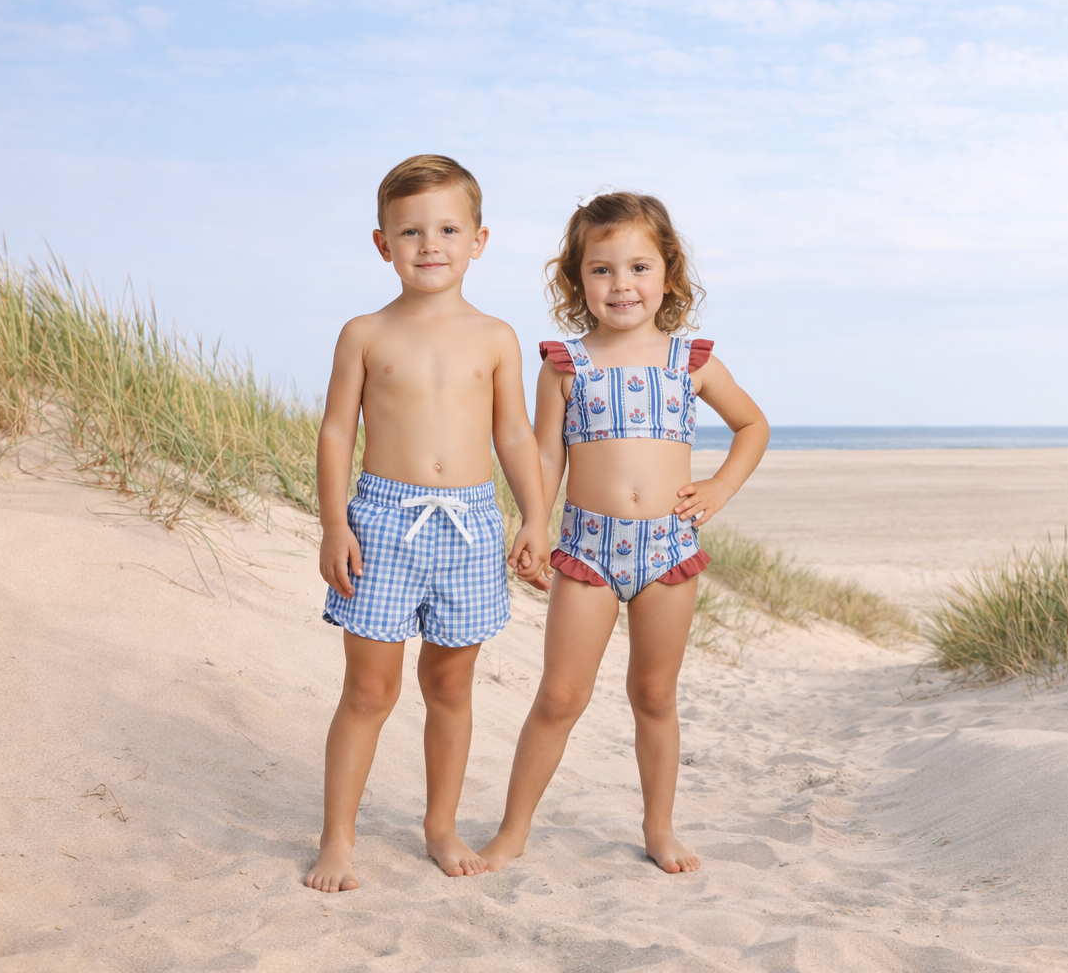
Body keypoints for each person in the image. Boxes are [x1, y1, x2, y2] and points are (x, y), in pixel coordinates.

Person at [479, 190, 769, 874]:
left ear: (667, 273)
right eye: (602, 269)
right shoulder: (564, 365)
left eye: (639, 267)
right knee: (559, 696)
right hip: (586, 548)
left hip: (668, 548)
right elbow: (546, 454)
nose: (622, 285)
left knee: (654, 695)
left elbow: (753, 426)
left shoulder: (689, 362)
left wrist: (722, 486)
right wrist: (533, 519)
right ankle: (513, 829)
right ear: (577, 280)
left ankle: (659, 828)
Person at [305, 155, 549, 892]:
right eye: (410, 231)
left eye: (448, 228)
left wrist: (537, 514)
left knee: (450, 685)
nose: (430, 243)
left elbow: (514, 435)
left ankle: (439, 823)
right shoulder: (365, 334)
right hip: (381, 521)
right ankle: (338, 838)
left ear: (479, 239)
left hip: (471, 526)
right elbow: (336, 433)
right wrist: (333, 524)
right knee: (369, 690)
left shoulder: (497, 336)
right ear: (383, 243)